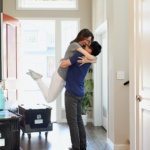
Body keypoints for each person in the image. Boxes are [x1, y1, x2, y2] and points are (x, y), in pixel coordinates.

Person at [27, 29, 97, 103]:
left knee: (49, 97)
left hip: (62, 78)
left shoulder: (80, 47)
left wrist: (87, 60)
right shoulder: (75, 45)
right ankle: (38, 78)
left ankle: (37, 78)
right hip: (60, 76)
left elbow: (95, 59)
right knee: (48, 99)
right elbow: (89, 55)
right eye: (88, 40)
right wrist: (89, 59)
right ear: (83, 37)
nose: (87, 43)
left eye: (89, 41)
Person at [60, 41, 102, 150]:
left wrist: (63, 61)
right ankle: (82, 146)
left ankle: (76, 147)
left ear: (90, 50)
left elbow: (63, 64)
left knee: (72, 122)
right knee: (78, 120)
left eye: (88, 46)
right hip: (79, 93)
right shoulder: (90, 60)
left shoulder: (80, 55)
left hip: (71, 93)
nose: (85, 46)